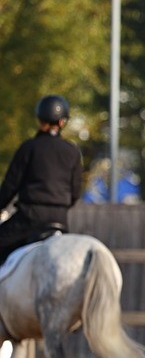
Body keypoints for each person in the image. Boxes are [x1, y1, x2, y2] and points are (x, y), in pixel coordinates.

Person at [0, 95, 84, 265]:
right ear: (62, 122)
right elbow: (75, 193)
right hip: (59, 221)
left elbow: (10, 186)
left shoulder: (29, 148)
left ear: (40, 119)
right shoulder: (73, 152)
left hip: (28, 219)